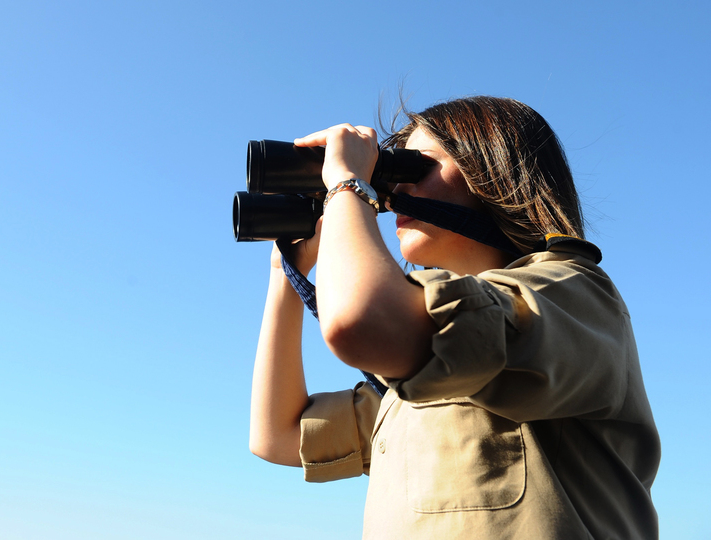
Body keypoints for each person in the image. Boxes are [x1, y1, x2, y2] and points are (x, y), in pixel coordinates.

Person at [248, 96, 660, 539]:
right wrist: (285, 271)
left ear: (493, 173)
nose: (396, 191)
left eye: (414, 168)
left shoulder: (573, 294)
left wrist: (347, 184)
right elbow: (278, 435)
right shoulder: (417, 382)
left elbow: (364, 321)